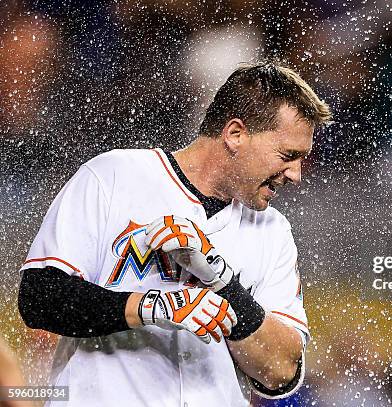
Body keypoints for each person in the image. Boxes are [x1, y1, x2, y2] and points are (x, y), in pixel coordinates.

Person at [17, 62, 332, 406]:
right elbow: (40, 298)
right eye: (288, 156)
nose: (296, 175)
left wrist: (219, 276)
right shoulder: (113, 176)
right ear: (235, 134)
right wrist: (154, 306)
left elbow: (281, 372)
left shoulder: (274, 232)